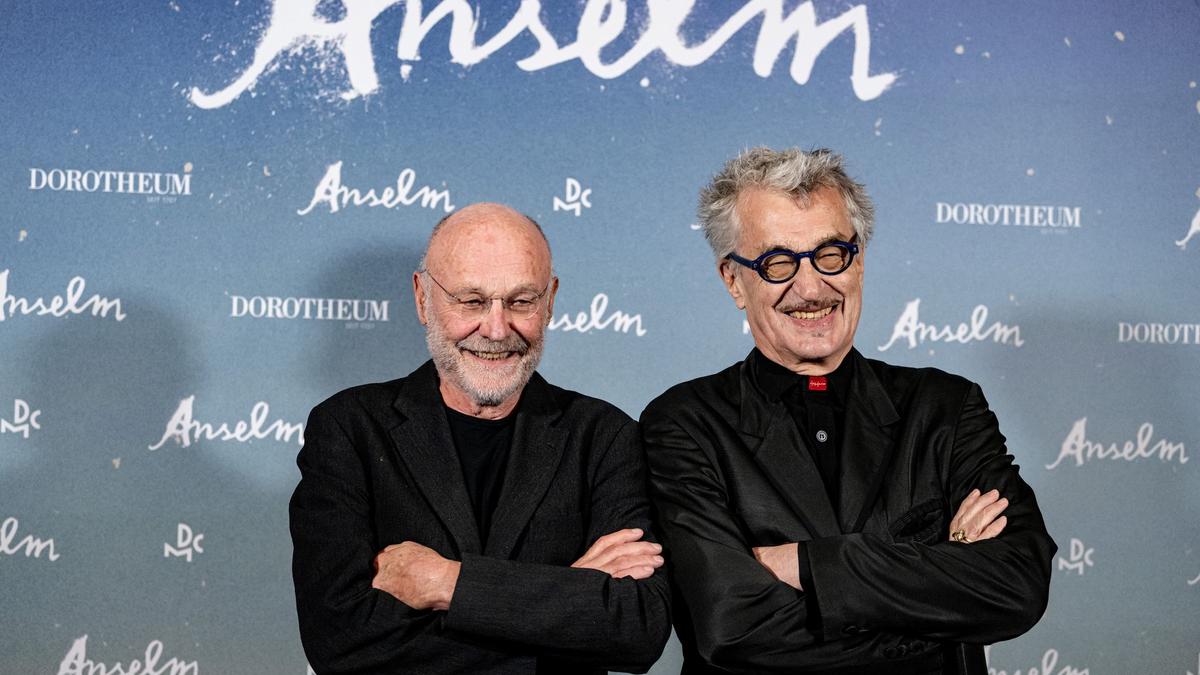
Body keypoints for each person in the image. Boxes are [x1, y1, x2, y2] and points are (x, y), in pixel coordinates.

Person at [641, 148, 1056, 674]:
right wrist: (943, 582)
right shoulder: (682, 423)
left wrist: (806, 563)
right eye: (777, 263)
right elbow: (732, 626)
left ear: (858, 261)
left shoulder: (947, 407)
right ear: (733, 280)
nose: (811, 287)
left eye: (831, 254)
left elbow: (1017, 585)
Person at [290, 203, 671, 674]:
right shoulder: (350, 428)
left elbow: (638, 626)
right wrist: (566, 598)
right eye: (471, 301)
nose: (495, 329)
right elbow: (339, 640)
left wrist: (447, 582)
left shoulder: (605, 436)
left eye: (521, 301)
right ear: (423, 298)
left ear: (550, 301)